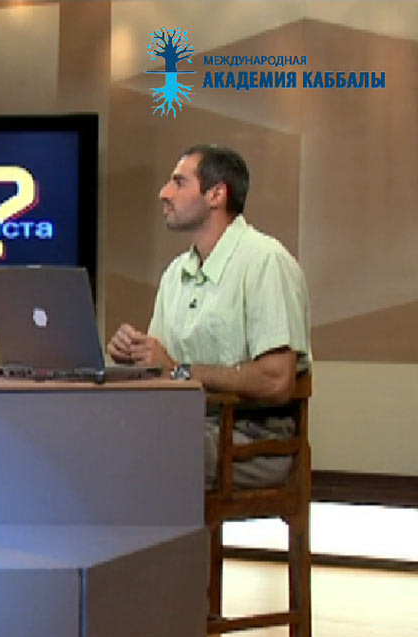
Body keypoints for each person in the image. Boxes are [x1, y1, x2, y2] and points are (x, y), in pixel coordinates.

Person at [106, 145, 311, 489]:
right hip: (186, 425)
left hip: (250, 440)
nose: (164, 193)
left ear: (216, 194)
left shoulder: (265, 261)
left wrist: (179, 370)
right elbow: (162, 368)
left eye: (178, 182)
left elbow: (277, 381)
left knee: (135, 453)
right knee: (95, 435)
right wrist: (135, 355)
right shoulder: (176, 273)